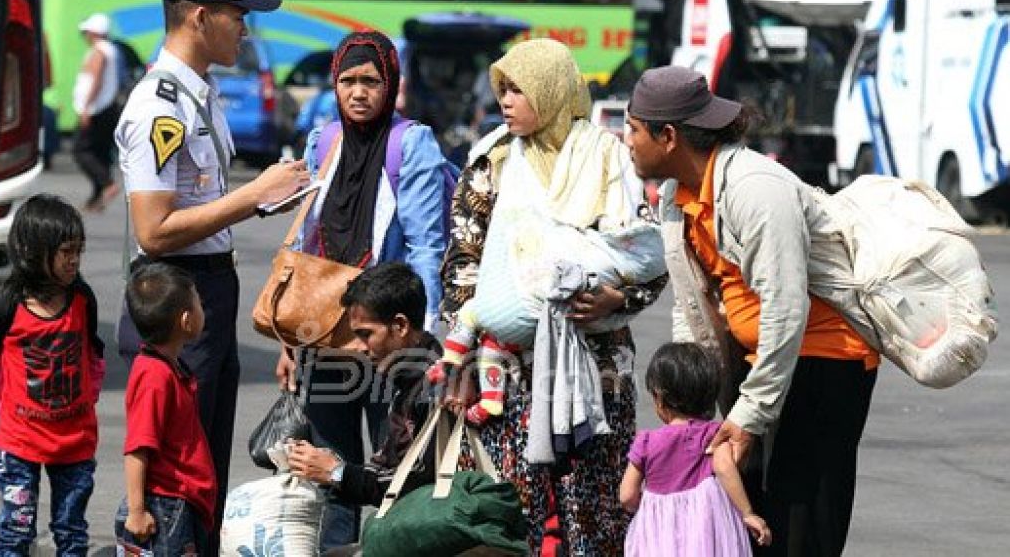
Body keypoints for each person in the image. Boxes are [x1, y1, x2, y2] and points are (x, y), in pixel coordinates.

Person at [622, 65, 879, 556]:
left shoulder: (755, 190)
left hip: (823, 360)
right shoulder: (677, 197)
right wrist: (692, 405)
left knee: (801, 529)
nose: (626, 141)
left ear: (668, 136)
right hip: (757, 363)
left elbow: (785, 309)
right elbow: (693, 303)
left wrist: (749, 415)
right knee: (751, 520)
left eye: (633, 129)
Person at [438, 38, 668, 555]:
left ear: (551, 90)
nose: (505, 100)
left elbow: (646, 255)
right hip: (507, 371)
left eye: (518, 88)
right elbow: (462, 263)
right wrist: (466, 353)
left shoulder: (608, 158)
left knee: (594, 510)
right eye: (502, 89)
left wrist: (616, 300)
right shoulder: (492, 163)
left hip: (596, 370)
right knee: (510, 513)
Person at [113, 0, 309, 555]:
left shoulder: (200, 93)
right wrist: (254, 197)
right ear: (200, 16)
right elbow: (155, 229)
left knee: (208, 474)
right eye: (237, 14)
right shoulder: (158, 106)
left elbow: (206, 202)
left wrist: (274, 197)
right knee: (182, 479)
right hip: (179, 294)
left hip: (209, 291)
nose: (245, 28)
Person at [274, 30, 451, 550]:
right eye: (348, 81)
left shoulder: (411, 143)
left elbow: (425, 244)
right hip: (326, 333)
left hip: (386, 341)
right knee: (329, 467)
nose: (358, 93)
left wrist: (425, 334)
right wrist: (293, 337)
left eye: (371, 82)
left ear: (391, 84)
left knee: (391, 468)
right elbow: (307, 239)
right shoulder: (323, 141)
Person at [0, 194, 104, 556]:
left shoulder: (82, 300)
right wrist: (4, 407)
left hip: (74, 441)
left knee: (71, 531)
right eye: (66, 251)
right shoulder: (9, 304)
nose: (74, 260)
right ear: (32, 251)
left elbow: (93, 357)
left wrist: (87, 399)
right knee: (16, 531)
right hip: (20, 443)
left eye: (79, 251)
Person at [287, 263, 440, 512]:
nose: (358, 348)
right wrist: (329, 467)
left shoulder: (433, 387)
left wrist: (337, 473)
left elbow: (413, 484)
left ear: (400, 326)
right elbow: (384, 468)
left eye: (366, 334)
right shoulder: (403, 380)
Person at [620, 342, 771, 556]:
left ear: (659, 398)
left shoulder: (646, 442)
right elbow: (725, 467)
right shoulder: (712, 435)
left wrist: (654, 507)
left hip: (660, 534)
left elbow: (627, 496)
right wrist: (747, 513)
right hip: (706, 528)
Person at [114, 263, 216, 556]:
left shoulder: (169, 368)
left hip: (178, 505)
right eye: (198, 301)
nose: (202, 309)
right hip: (164, 509)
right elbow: (138, 448)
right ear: (185, 320)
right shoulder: (154, 376)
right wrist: (136, 511)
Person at [73, 12, 121, 212]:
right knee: (100, 152)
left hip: (97, 109)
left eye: (87, 32)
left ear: (94, 32)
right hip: (107, 108)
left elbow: (96, 80)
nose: (85, 36)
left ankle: (107, 184)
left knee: (81, 151)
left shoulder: (100, 52)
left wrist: (86, 107)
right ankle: (96, 199)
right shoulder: (111, 50)